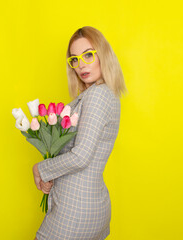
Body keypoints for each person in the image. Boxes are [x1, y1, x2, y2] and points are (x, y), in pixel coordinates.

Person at [32, 26, 127, 240]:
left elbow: (81, 156)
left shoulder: (97, 96)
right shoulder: (106, 94)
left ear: (103, 54)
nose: (81, 65)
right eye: (74, 59)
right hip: (90, 206)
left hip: (74, 212)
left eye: (88, 55)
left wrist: (41, 169)